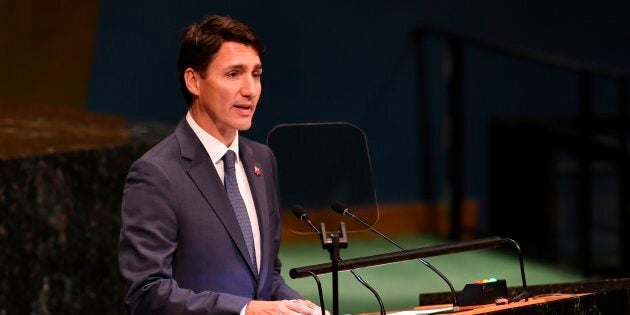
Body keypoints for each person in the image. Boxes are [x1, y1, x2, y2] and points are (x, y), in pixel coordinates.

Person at [118, 14, 321, 315]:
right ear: (194, 81)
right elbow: (147, 293)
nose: (250, 89)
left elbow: (267, 277)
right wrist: (245, 310)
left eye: (256, 74)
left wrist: (298, 307)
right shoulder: (156, 173)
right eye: (233, 74)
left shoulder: (262, 161)